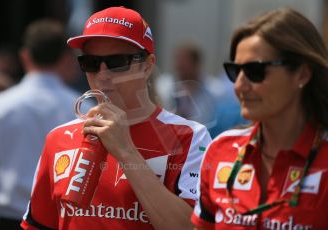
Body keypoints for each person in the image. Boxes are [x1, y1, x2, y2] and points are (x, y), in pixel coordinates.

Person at [21, 6, 212, 230]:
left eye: (117, 62)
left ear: (147, 66)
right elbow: (39, 225)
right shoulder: (59, 138)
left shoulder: (189, 137)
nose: (102, 75)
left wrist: (126, 151)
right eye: (90, 63)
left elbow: (189, 228)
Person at [191, 7, 328, 229]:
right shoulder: (220, 151)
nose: (239, 86)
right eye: (235, 71)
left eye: (255, 71)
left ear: (302, 74)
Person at [0, 19, 80, 229]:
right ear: (65, 59)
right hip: (57, 219)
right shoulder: (82, 108)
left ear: (25, 56)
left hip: (6, 219)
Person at [155, 43, 246, 138]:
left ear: (196, 64)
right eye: (178, 61)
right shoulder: (163, 87)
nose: (179, 66)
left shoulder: (216, 91)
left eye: (185, 62)